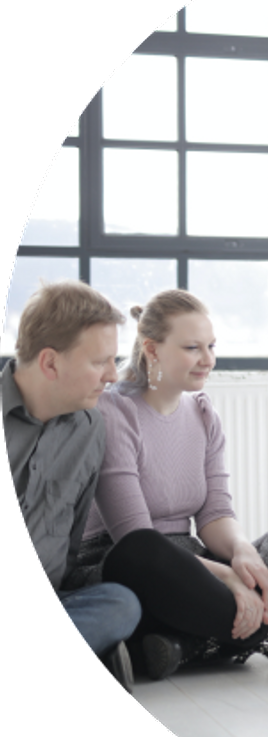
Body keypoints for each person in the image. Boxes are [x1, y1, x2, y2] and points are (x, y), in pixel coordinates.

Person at [63, 289, 268, 680]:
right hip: (130, 565)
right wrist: (226, 578)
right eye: (192, 348)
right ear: (152, 349)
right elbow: (133, 534)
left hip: (194, 560)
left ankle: (188, 647)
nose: (208, 360)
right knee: (143, 550)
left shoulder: (203, 414)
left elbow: (215, 512)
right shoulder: (113, 411)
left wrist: (241, 552)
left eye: (211, 346)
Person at [2, 280, 141, 690]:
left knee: (121, 603)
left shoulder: (89, 428)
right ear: (50, 364)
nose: (113, 375)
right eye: (100, 362)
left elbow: (70, 544)